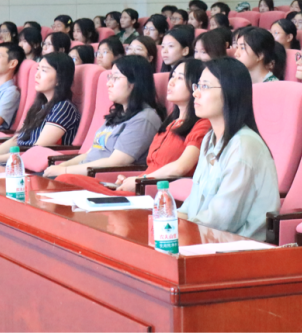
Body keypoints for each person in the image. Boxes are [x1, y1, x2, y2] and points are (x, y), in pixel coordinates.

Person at [56, 60, 212, 195]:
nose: (171, 82)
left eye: (180, 78)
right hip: (141, 185)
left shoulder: (202, 124)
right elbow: (150, 167)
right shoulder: (170, 123)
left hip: (157, 194)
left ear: (196, 86)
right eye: (172, 76)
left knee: (66, 180)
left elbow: (181, 167)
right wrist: (130, 179)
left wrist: (140, 179)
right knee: (65, 181)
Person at [179, 57, 280, 240]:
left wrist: (182, 230)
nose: (195, 94)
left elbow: (222, 220)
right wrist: (169, 219)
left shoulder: (244, 145)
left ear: (230, 91)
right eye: (197, 86)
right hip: (207, 238)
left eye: (205, 86)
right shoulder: (209, 138)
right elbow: (193, 202)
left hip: (239, 247)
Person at [43, 56, 165, 178]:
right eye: (109, 77)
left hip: (100, 179)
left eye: (115, 78)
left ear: (135, 83)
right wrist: (62, 166)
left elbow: (117, 162)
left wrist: (65, 171)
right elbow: (89, 154)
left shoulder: (144, 119)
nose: (108, 84)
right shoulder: (117, 114)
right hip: (82, 174)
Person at [0, 53, 80, 164]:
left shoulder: (63, 108)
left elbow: (37, 149)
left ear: (60, 79)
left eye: (44, 70)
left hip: (40, 166)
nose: (37, 75)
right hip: (20, 161)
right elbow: (17, 139)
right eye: (37, 69)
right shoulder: (40, 106)